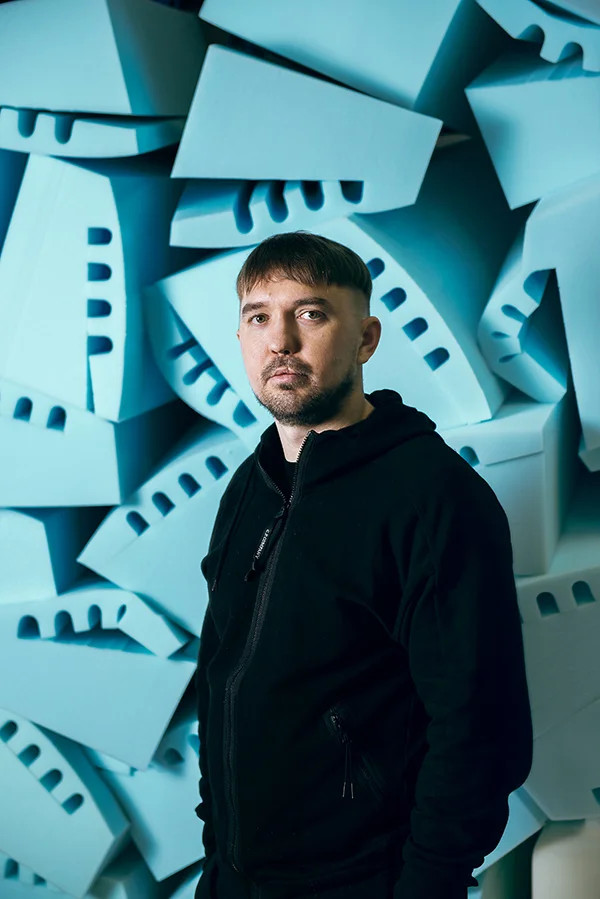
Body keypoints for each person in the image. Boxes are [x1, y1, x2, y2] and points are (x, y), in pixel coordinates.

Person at [194, 231, 533, 899]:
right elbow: (221, 668)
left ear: (367, 339)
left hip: (362, 879)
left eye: (311, 313)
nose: (280, 340)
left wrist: (428, 885)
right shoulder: (250, 484)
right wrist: (216, 843)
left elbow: (480, 729)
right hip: (234, 875)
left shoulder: (433, 496)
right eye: (259, 317)